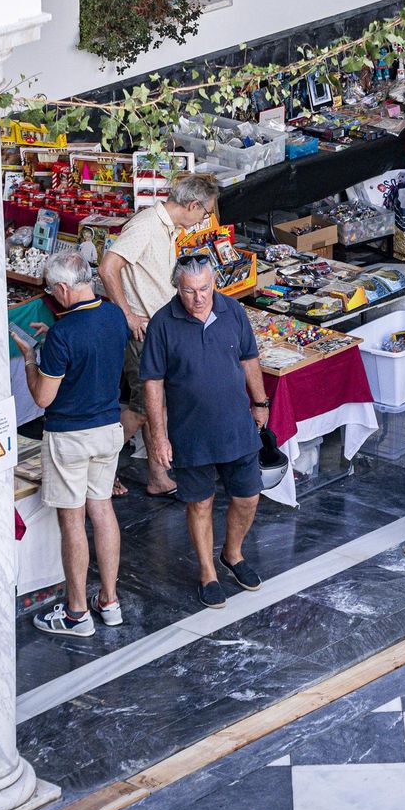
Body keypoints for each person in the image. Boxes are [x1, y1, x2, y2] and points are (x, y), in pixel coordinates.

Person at [141, 257, 271, 609]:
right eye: (189, 290)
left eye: (204, 289)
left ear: (214, 283)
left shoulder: (232, 310)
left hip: (235, 426)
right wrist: (159, 436)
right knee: (200, 503)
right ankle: (207, 573)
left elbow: (249, 358)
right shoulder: (162, 324)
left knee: (248, 497)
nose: (199, 298)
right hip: (190, 433)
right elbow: (152, 383)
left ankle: (233, 554)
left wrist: (260, 402)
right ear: (176, 288)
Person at [20, 250, 130, 637]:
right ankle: (111, 601)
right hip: (109, 429)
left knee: (72, 522)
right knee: (102, 511)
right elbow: (94, 347)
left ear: (65, 287)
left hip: (69, 436)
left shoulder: (64, 333)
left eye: (52, 291)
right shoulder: (115, 314)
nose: (53, 297)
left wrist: (33, 358)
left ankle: (76, 612)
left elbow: (43, 398)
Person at [100, 172, 220, 495]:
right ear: (192, 205)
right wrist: (127, 314)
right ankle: (99, 471)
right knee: (141, 410)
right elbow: (108, 266)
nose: (203, 220)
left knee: (156, 406)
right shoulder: (146, 226)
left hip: (157, 331)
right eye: (205, 213)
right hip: (142, 334)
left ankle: (157, 475)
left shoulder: (165, 228)